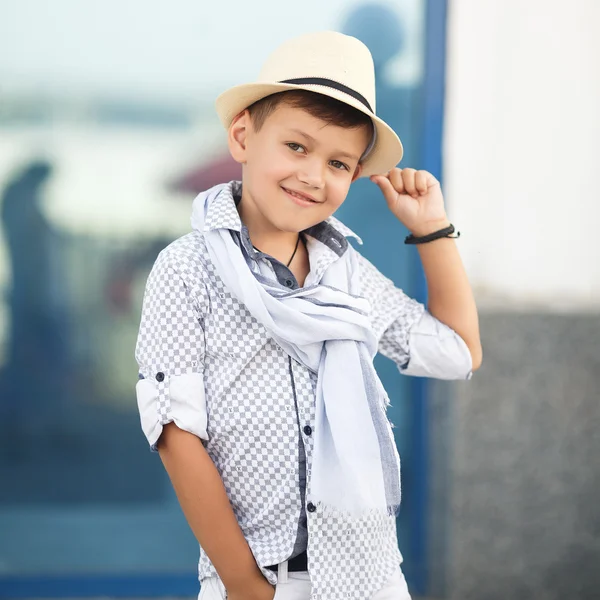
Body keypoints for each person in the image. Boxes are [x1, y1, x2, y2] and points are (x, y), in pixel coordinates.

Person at [134, 32, 482, 600]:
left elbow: (457, 351)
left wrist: (431, 230)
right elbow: (175, 433)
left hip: (367, 574)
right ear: (243, 135)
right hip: (259, 580)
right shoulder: (188, 268)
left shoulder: (343, 269)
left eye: (339, 162)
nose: (314, 176)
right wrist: (245, 585)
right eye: (296, 147)